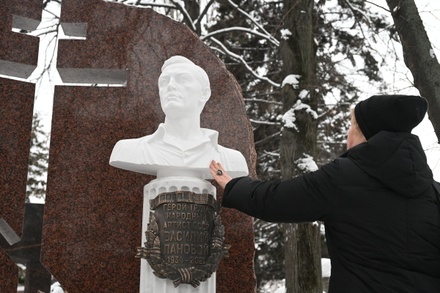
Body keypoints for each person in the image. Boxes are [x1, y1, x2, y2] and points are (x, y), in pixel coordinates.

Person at [210, 95, 440, 292]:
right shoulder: (434, 191)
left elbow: (276, 200)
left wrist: (232, 185)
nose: (347, 136)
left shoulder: (344, 177)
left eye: (352, 127)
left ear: (366, 135)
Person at [110, 55, 248, 179]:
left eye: (182, 79)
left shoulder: (230, 159)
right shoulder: (130, 150)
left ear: (204, 94)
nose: (170, 86)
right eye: (164, 82)